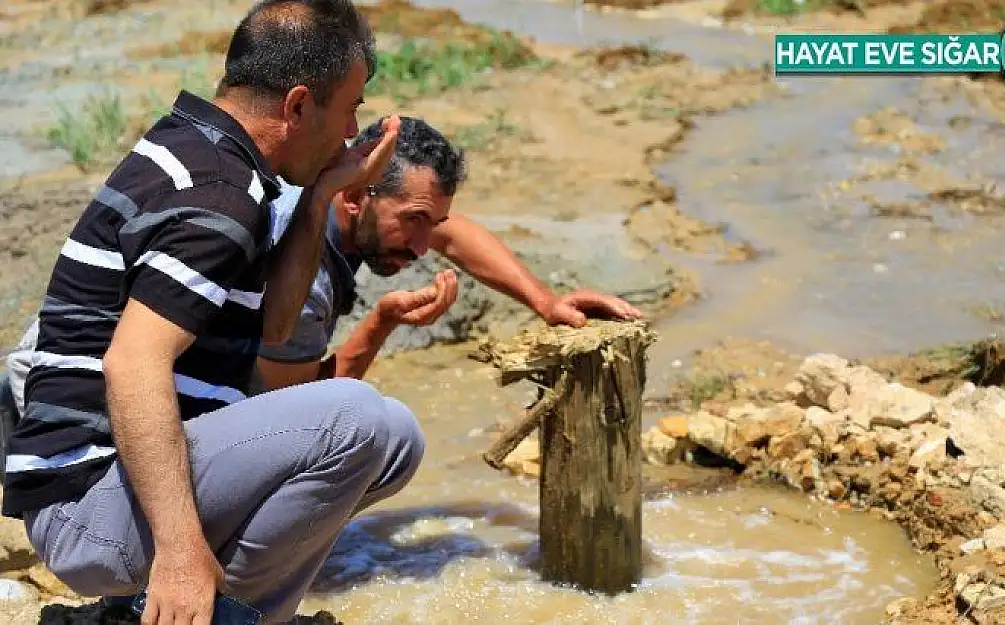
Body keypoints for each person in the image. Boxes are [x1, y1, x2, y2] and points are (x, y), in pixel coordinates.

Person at [0, 1, 416, 623]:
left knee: (397, 437)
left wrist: (324, 191)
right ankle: (212, 610)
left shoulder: (213, 156)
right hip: (85, 502)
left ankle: (178, 607)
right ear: (299, 106)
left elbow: (273, 328)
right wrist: (179, 552)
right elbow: (133, 363)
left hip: (116, 484)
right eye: (351, 107)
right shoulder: (217, 193)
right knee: (353, 419)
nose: (351, 131)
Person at [254, 115, 644, 391]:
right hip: (218, 429)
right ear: (356, 196)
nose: (424, 247)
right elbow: (300, 413)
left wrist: (546, 302)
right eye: (414, 220)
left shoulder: (327, 190)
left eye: (432, 223)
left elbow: (453, 234)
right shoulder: (304, 279)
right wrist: (382, 322)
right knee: (381, 433)